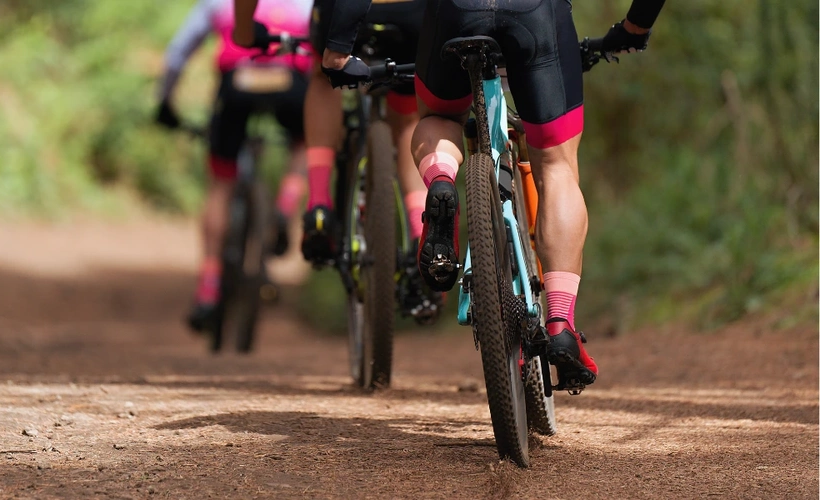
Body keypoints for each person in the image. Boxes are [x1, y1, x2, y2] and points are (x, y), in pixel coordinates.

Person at [319, 0, 666, 390]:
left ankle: (442, 179)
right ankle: (560, 321)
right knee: (555, 166)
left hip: (455, 13)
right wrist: (636, 27)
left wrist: (336, 50)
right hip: (536, 14)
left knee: (440, 118)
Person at [234, 0, 431, 271]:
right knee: (408, 117)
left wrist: (243, 31)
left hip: (341, 13)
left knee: (322, 77)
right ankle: (420, 230)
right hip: (412, 12)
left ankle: (318, 204)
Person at [155, 0, 314, 332]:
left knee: (221, 184)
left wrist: (165, 103)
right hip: (290, 80)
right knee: (303, 142)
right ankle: (285, 205)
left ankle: (209, 288)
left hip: (237, 82)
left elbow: (177, 54)